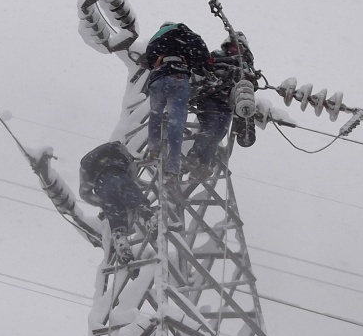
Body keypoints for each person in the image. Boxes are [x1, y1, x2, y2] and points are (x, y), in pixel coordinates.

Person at [141, 22, 211, 176]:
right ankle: (172, 167)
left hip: (159, 77)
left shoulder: (156, 38)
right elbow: (202, 53)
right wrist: (203, 65)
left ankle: (154, 147)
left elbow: (148, 60)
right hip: (179, 77)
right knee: (176, 123)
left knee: (156, 114)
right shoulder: (185, 33)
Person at [190, 32, 256, 175]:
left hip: (226, 103)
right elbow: (204, 69)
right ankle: (194, 155)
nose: (234, 49)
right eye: (232, 46)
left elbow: (250, 85)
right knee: (211, 126)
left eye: (237, 47)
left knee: (220, 132)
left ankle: (205, 163)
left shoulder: (245, 67)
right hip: (210, 97)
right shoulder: (216, 56)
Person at [79, 141, 150, 264]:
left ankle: (120, 240)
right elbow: (132, 171)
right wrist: (131, 183)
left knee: (115, 213)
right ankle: (147, 217)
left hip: (101, 184)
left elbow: (85, 193)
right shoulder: (119, 149)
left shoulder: (86, 165)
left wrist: (102, 202)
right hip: (118, 174)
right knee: (133, 195)